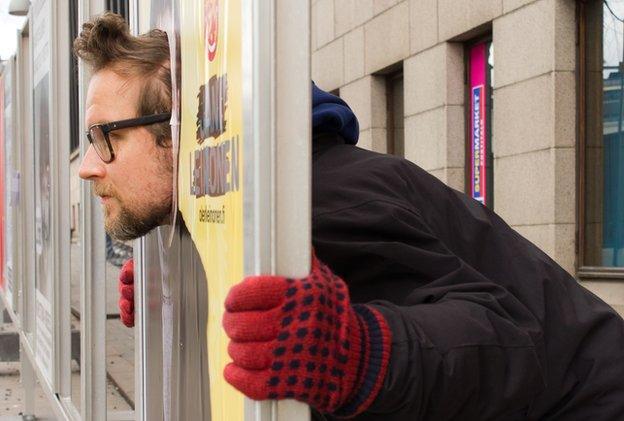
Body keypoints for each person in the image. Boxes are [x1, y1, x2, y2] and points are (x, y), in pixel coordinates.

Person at [75, 12, 624, 420]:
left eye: (106, 138)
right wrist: (187, 288)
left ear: (178, 133)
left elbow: (510, 343)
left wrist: (358, 352)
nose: (88, 168)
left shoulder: (320, 206)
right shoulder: (274, 192)